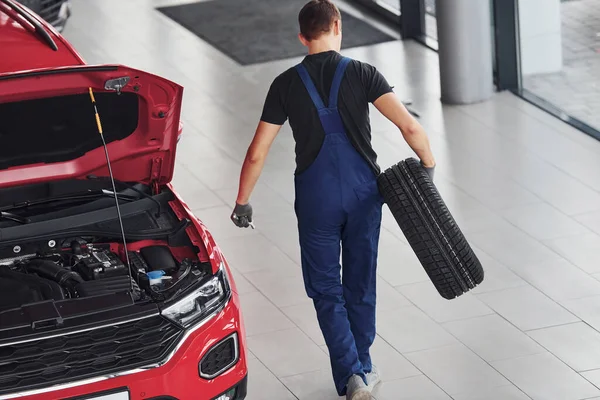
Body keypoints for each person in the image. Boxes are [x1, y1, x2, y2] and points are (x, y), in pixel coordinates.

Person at [230, 1, 435, 398]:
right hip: (364, 195)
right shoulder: (363, 73)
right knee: (360, 282)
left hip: (315, 198)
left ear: (302, 37)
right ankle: (365, 365)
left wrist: (242, 202)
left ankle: (352, 375)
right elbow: (409, 125)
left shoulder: (285, 84)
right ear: (338, 26)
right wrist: (427, 166)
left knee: (326, 289)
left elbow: (257, 152)